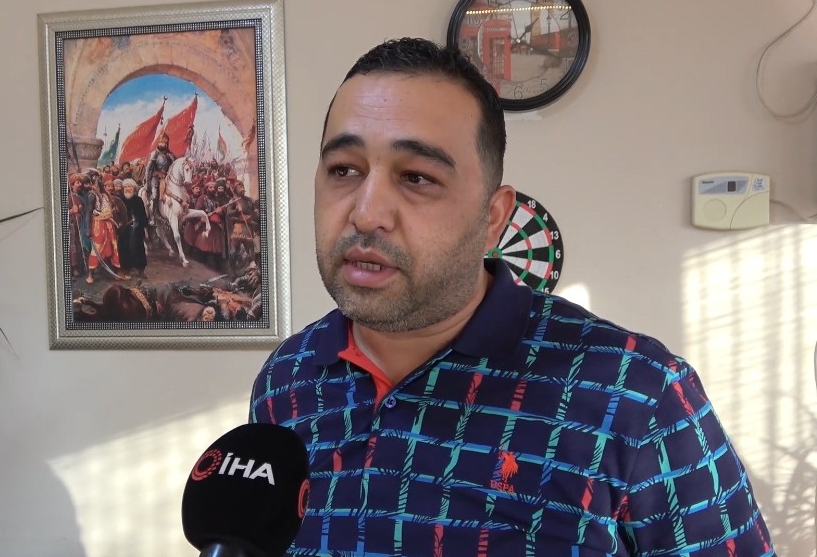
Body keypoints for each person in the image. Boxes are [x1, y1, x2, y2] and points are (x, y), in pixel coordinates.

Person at [249, 38, 774, 556]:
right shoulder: (286, 379)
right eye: (344, 170)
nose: (366, 214)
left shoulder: (637, 394)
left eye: (417, 177)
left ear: (493, 218)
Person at [144, 132, 177, 227]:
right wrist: (147, 184)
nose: (163, 144)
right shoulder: (154, 154)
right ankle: (153, 217)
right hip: (155, 178)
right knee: (155, 196)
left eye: (164, 143)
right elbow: (148, 169)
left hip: (167, 179)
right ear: (158, 143)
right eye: (161, 142)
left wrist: (173, 159)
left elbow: (175, 166)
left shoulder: (170, 154)